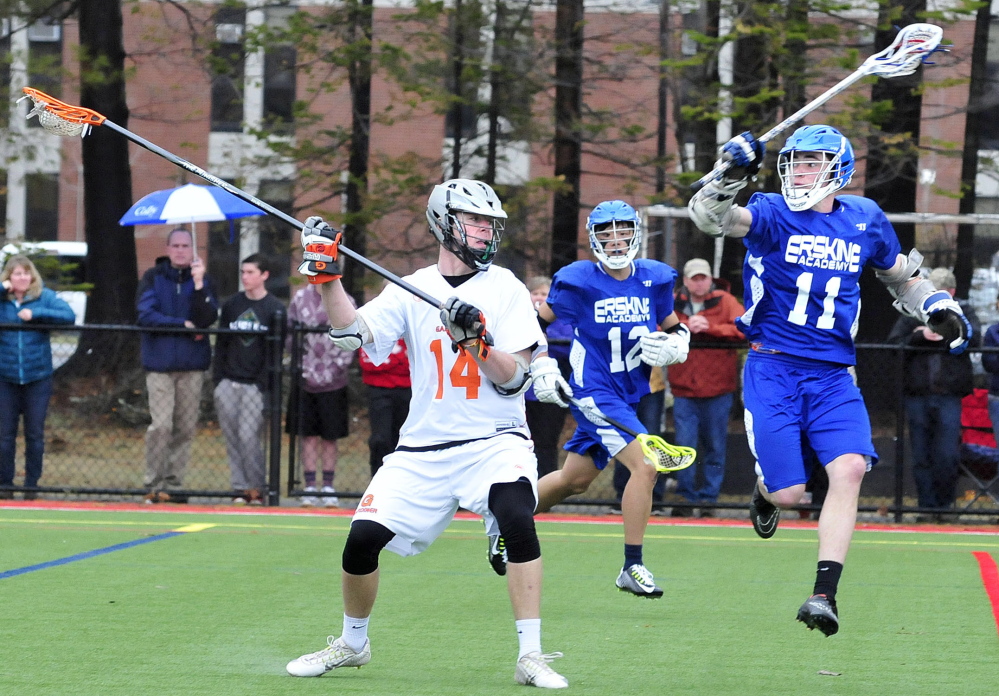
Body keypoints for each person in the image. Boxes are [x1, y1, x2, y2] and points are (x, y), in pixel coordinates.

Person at [687, 125, 972, 636]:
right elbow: (712, 218)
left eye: (811, 162)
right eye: (794, 162)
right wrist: (728, 175)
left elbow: (900, 277)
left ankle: (824, 594)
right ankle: (765, 490)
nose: (799, 171)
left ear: (837, 169)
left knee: (850, 470)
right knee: (791, 493)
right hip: (774, 365)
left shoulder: (865, 218)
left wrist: (936, 305)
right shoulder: (772, 212)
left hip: (834, 373)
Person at [285, 179, 568, 689]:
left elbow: (513, 379)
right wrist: (328, 274)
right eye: (475, 220)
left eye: (490, 223)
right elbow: (351, 333)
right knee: (360, 541)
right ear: (444, 222)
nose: (486, 230)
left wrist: (476, 342)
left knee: (516, 516)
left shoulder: (504, 287)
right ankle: (353, 643)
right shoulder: (412, 286)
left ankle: (531, 656)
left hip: (494, 440)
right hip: (423, 447)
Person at [529, 199, 691, 599]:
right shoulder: (579, 280)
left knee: (574, 481)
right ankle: (631, 565)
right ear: (593, 237)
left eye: (622, 230)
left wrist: (678, 345)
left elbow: (674, 325)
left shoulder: (654, 277)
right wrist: (541, 362)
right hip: (593, 391)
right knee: (648, 465)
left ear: (636, 233)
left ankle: (507, 517)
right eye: (606, 232)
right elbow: (535, 326)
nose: (615, 239)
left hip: (628, 393)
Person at [887, 267, 979, 519]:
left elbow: (975, 338)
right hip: (918, 396)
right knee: (920, 455)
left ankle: (945, 506)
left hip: (949, 396)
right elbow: (894, 343)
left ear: (952, 292)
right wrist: (919, 336)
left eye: (943, 292)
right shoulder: (914, 310)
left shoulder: (964, 311)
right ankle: (926, 508)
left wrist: (949, 334)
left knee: (947, 455)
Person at [136, 228, 219, 503]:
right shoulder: (153, 277)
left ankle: (174, 484)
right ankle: (153, 482)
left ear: (193, 249)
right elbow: (146, 315)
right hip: (159, 365)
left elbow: (206, 318)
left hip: (192, 364)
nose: (181, 250)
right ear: (168, 248)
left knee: (184, 427)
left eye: (186, 245)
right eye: (176, 245)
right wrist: (180, 325)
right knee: (161, 425)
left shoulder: (203, 279)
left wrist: (198, 285)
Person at [667, 257, 745, 517]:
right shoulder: (673, 302)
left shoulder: (726, 301)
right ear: (686, 281)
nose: (699, 283)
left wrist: (712, 328)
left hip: (718, 389)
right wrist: (684, 328)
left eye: (703, 277)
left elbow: (745, 329)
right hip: (683, 389)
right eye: (694, 278)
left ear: (710, 279)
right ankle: (685, 498)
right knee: (684, 446)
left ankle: (709, 499)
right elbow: (656, 328)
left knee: (714, 445)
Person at [0, 255, 75, 500]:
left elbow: (68, 315)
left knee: (34, 435)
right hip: (5, 377)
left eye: (25, 273)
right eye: (16, 274)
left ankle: (31, 485)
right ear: (8, 277)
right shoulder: (3, 300)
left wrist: (36, 313)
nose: (21, 278)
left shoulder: (45, 296)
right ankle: (5, 485)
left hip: (37, 377)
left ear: (31, 276)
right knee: (5, 436)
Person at [213, 254, 285, 505]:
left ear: (264, 275)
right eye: (243, 272)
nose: (245, 277)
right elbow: (221, 343)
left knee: (248, 436)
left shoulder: (275, 308)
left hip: (255, 385)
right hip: (228, 382)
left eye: (250, 272)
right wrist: (218, 379)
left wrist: (261, 382)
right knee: (232, 437)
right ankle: (239, 488)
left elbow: (275, 352)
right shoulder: (232, 305)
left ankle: (256, 488)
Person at [287, 282, 356, 507]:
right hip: (305, 379)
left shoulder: (345, 300)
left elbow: (352, 338)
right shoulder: (299, 299)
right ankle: (309, 487)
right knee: (307, 434)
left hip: (334, 381)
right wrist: (303, 369)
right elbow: (291, 338)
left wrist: (334, 370)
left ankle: (328, 486)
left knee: (330, 436)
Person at [523, 276, 573, 478]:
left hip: (550, 393)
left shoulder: (561, 318)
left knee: (546, 442)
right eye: (535, 293)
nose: (539, 298)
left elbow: (569, 348)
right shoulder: (518, 316)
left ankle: (546, 485)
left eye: (544, 294)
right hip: (523, 394)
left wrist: (546, 336)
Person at [611, 371, 669, 514]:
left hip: (652, 388)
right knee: (624, 440)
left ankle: (655, 499)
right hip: (622, 388)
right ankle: (622, 496)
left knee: (652, 442)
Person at [359, 337, 411, 477]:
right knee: (380, 440)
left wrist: (389, 360)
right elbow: (369, 364)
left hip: (408, 391)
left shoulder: (411, 333)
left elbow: (417, 364)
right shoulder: (374, 332)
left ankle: (402, 482)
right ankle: (378, 479)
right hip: (378, 391)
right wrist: (401, 357)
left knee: (404, 441)